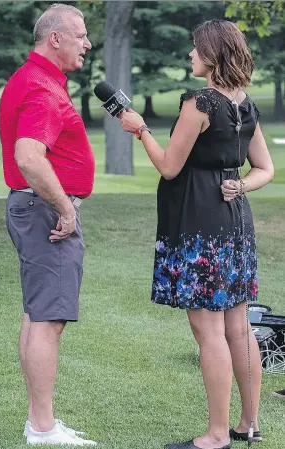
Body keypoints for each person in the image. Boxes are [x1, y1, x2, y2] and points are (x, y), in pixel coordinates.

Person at [120, 19, 274, 449]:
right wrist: (240, 185)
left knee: (210, 333)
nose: (190, 55)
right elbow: (266, 169)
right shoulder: (245, 104)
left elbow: (170, 166)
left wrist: (140, 128)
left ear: (211, 54)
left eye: (195, 49)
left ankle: (217, 435)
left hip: (199, 226)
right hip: (236, 226)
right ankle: (249, 424)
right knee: (238, 328)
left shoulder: (200, 103)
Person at [0, 4, 97, 446]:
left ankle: (39, 421)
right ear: (54, 38)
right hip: (45, 213)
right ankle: (41, 428)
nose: (87, 43)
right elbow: (28, 157)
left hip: (32, 209)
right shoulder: (41, 87)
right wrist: (66, 208)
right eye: (80, 35)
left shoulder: (34, 79)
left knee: (37, 313)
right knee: (48, 319)